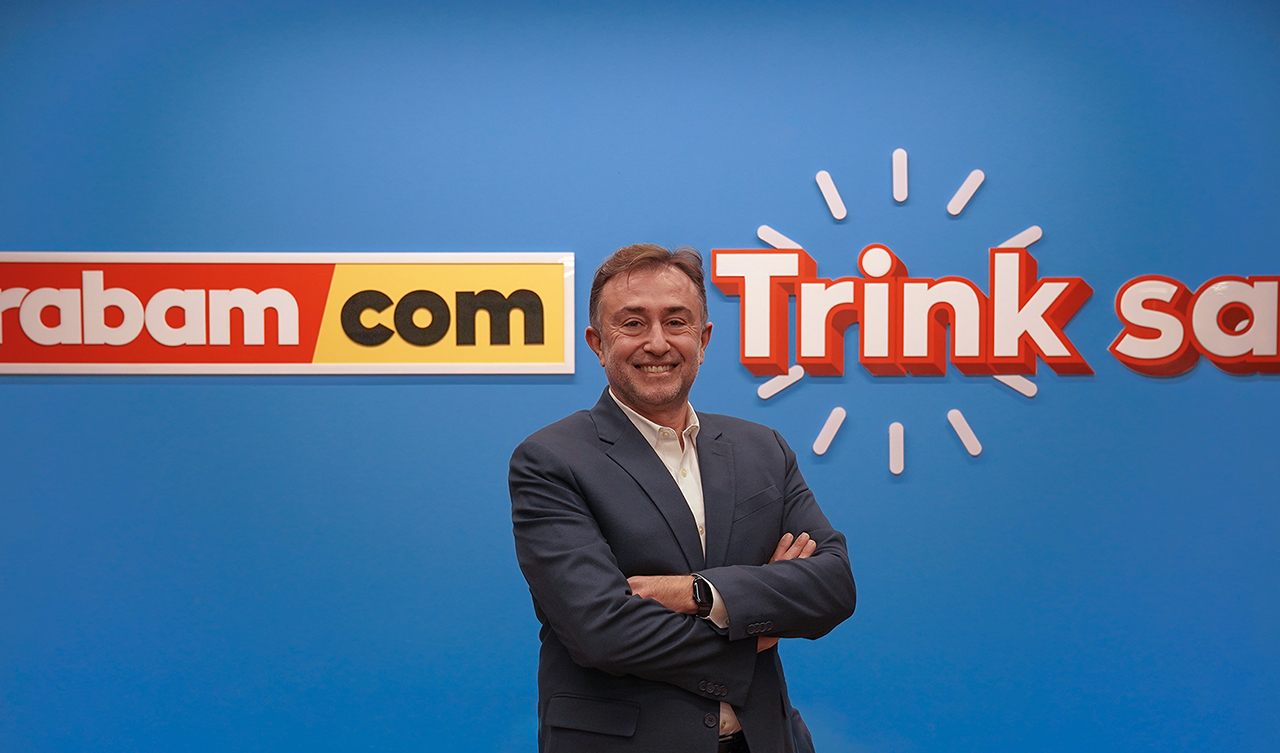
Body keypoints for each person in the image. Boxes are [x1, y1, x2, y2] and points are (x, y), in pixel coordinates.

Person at [510, 244, 856, 752]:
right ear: (597, 343)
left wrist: (698, 594)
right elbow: (601, 631)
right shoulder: (550, 459)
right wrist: (753, 628)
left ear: (703, 338)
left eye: (676, 322)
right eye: (632, 323)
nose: (657, 343)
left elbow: (832, 586)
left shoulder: (764, 449)